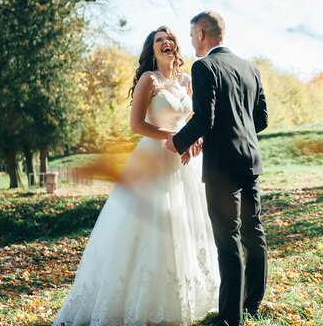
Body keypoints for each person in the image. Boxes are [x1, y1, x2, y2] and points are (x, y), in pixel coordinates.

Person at [53, 26, 219, 326]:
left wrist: (195, 141)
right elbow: (137, 125)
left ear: (176, 47)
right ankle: (133, 301)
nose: (166, 43)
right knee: (153, 226)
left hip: (185, 163)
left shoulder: (188, 80)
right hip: (153, 157)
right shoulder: (149, 79)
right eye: (159, 40)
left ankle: (181, 298)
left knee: (184, 223)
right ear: (152, 50)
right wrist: (174, 137)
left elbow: (196, 119)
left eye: (170, 39)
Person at [165, 11, 268, 326]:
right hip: (249, 160)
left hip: (222, 166)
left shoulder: (204, 66)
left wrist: (178, 142)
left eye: (191, 34)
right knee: (254, 232)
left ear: (200, 33)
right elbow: (261, 119)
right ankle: (251, 306)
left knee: (228, 239)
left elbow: (204, 118)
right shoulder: (250, 68)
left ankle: (229, 318)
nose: (191, 40)